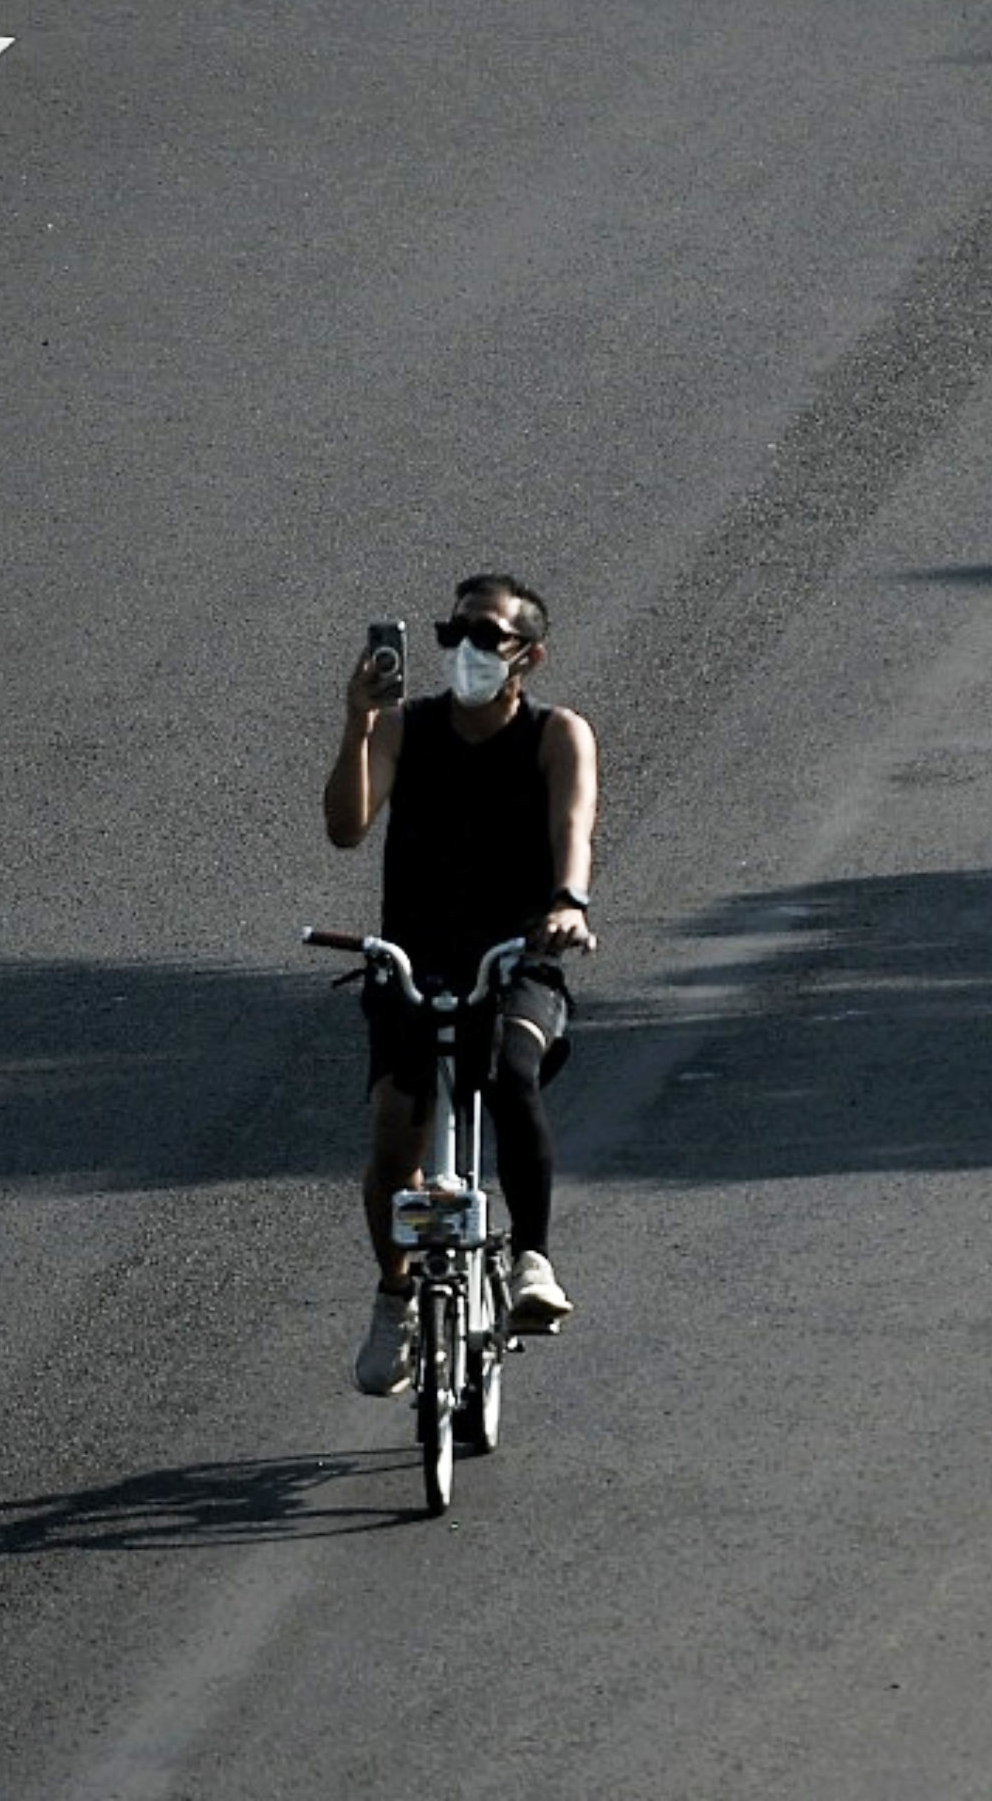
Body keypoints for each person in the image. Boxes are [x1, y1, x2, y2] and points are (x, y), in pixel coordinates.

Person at [322, 572, 599, 1397]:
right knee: (394, 1141)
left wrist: (568, 904)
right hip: (415, 959)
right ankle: (395, 1296)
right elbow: (345, 827)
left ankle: (531, 1263)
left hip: (518, 957)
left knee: (512, 1072)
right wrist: (357, 717)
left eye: (489, 638)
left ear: (530, 656)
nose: (467, 653)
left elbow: (572, 830)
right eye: (456, 635)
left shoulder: (557, 735)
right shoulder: (407, 728)